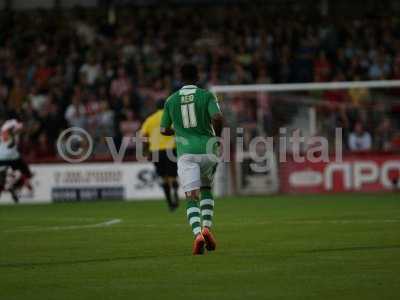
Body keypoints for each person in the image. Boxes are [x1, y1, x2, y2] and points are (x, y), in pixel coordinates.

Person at [160, 63, 225, 255]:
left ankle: (197, 234)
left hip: (186, 153)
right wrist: (217, 138)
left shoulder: (171, 100)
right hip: (208, 149)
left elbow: (163, 129)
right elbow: (218, 118)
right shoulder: (206, 95)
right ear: (198, 77)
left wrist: (178, 131)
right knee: (206, 189)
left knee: (191, 196)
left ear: (180, 78)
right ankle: (207, 228)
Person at [140, 100, 179, 211]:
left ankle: (170, 203)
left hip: (155, 151)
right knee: (173, 176)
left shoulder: (150, 119)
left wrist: (145, 151)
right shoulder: (171, 117)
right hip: (171, 149)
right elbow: (178, 130)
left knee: (163, 177)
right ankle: (175, 192)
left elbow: (143, 136)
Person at [0, 119, 33, 203]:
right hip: (12, 157)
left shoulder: (9, 125)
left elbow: (19, 129)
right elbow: (10, 137)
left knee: (2, 179)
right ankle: (13, 187)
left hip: (3, 157)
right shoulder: (8, 127)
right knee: (27, 174)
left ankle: (12, 187)